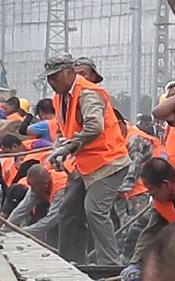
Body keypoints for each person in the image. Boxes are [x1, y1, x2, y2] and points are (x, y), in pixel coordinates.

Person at [44, 54, 130, 266]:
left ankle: (110, 264)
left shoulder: (88, 93)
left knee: (95, 211)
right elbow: (66, 129)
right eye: (49, 78)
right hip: (85, 165)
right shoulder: (60, 98)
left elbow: (94, 126)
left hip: (108, 162)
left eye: (55, 77)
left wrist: (68, 146)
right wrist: (60, 146)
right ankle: (72, 262)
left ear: (69, 73)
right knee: (69, 210)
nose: (51, 83)